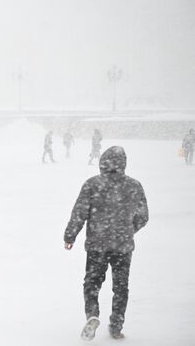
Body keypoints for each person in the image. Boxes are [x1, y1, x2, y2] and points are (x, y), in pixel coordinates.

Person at [63, 146, 148, 341]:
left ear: (103, 162)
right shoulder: (134, 186)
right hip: (123, 246)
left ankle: (92, 314)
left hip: (97, 245)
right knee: (121, 287)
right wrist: (127, 229)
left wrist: (70, 236)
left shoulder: (92, 184)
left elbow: (79, 213)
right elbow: (143, 216)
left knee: (92, 283)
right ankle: (116, 326)